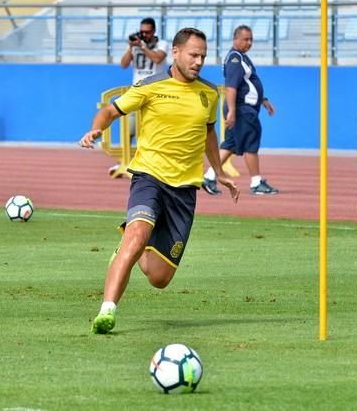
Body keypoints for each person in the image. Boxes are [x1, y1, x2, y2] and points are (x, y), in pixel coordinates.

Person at [80, 27, 239, 334]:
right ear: (176, 53)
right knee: (137, 234)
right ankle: (107, 311)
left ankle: (131, 248)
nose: (199, 61)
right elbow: (110, 112)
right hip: (148, 177)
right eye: (193, 55)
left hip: (184, 191)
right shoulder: (149, 86)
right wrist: (95, 130)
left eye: (203, 56)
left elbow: (208, 132)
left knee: (159, 278)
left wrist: (218, 171)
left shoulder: (208, 94)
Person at [202, 25, 279, 196]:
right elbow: (231, 87)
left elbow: (247, 84)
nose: (249, 42)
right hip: (242, 109)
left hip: (242, 108)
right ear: (235, 39)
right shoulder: (235, 59)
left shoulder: (241, 57)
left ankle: (209, 176)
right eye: (245, 39)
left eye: (251, 39)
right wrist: (232, 111)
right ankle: (256, 182)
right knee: (251, 144)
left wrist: (263, 100)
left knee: (231, 144)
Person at [107, 17, 168, 177]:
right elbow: (123, 64)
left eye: (147, 32)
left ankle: (155, 164)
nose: (144, 34)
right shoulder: (136, 45)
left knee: (155, 131)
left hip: (156, 92)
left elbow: (157, 58)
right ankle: (125, 161)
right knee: (130, 128)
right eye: (142, 32)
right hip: (138, 91)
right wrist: (130, 48)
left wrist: (142, 45)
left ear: (154, 31)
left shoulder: (162, 43)